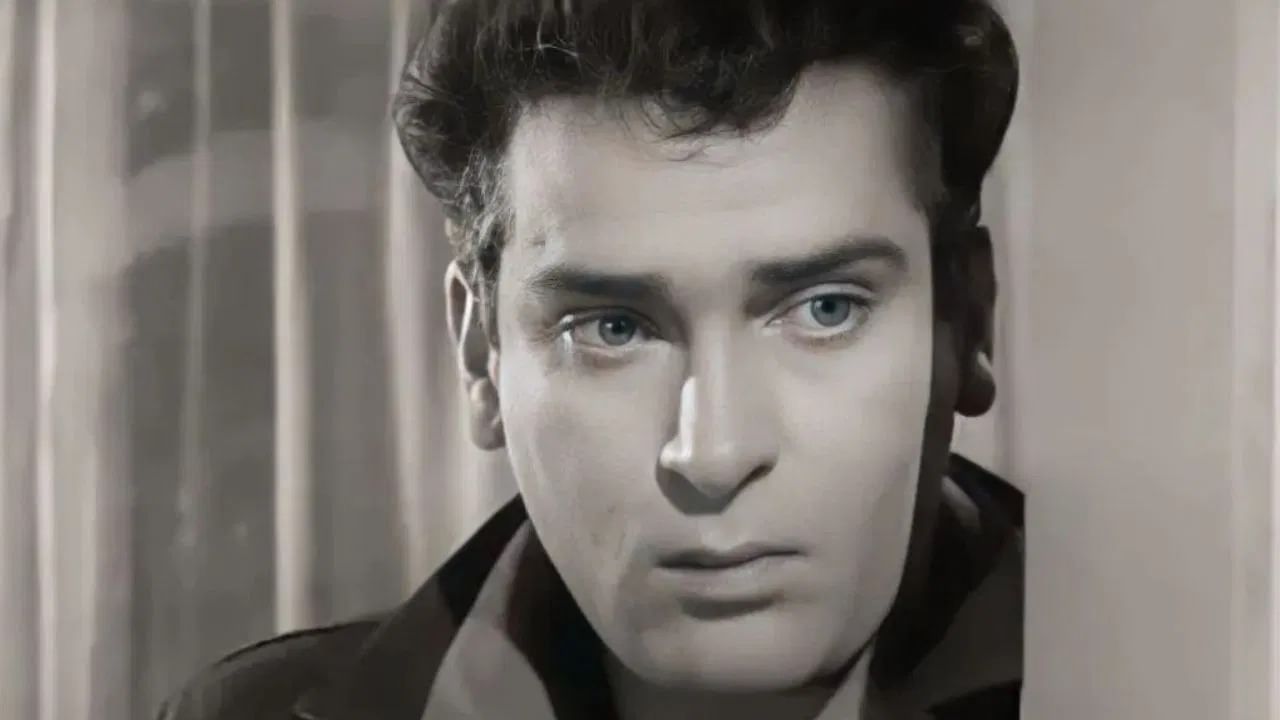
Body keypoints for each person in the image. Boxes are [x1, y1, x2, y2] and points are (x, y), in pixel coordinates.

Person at [158, 0, 1023, 718]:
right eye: (611, 328)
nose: (713, 454)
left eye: (826, 310)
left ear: (969, 322)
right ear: (481, 356)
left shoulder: (1108, 680)